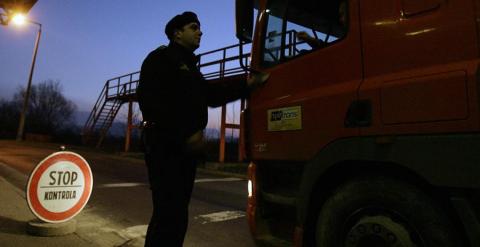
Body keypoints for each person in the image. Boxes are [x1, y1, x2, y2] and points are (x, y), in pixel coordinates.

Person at [136, 11, 268, 247]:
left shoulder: (190, 67)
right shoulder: (160, 59)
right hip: (165, 148)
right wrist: (184, 135)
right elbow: (152, 103)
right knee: (168, 215)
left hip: (184, 152)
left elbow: (211, 96)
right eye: (194, 27)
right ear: (177, 33)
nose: (200, 32)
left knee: (177, 215)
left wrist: (246, 86)